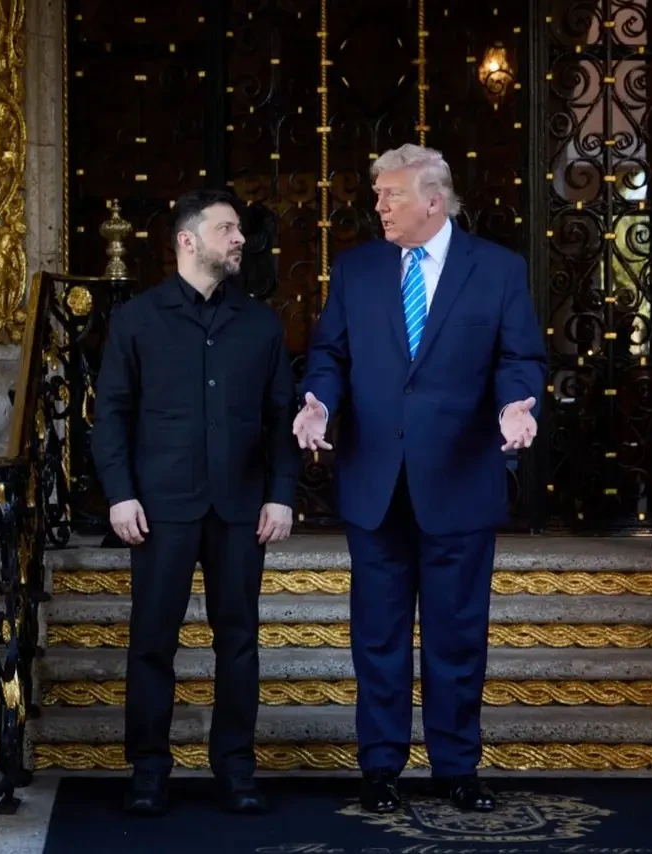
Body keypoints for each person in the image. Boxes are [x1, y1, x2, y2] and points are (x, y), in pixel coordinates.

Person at [293, 144, 547, 814]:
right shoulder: (357, 269)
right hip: (375, 482)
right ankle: (380, 768)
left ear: (433, 200)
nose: (378, 205)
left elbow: (519, 357)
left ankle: (456, 768)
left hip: (460, 478)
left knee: (456, 636)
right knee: (377, 637)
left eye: (391, 195)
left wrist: (518, 404)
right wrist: (318, 402)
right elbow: (329, 354)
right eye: (378, 193)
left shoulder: (498, 269)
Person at [91, 189, 301, 816]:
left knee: (238, 642)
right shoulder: (138, 319)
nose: (240, 239)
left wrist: (281, 496)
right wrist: (120, 494)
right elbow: (111, 414)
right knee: (152, 642)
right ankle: (148, 771)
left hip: (241, 508)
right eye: (227, 229)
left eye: (239, 230)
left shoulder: (261, 323)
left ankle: (235, 770)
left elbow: (280, 418)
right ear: (188, 240)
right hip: (161, 508)